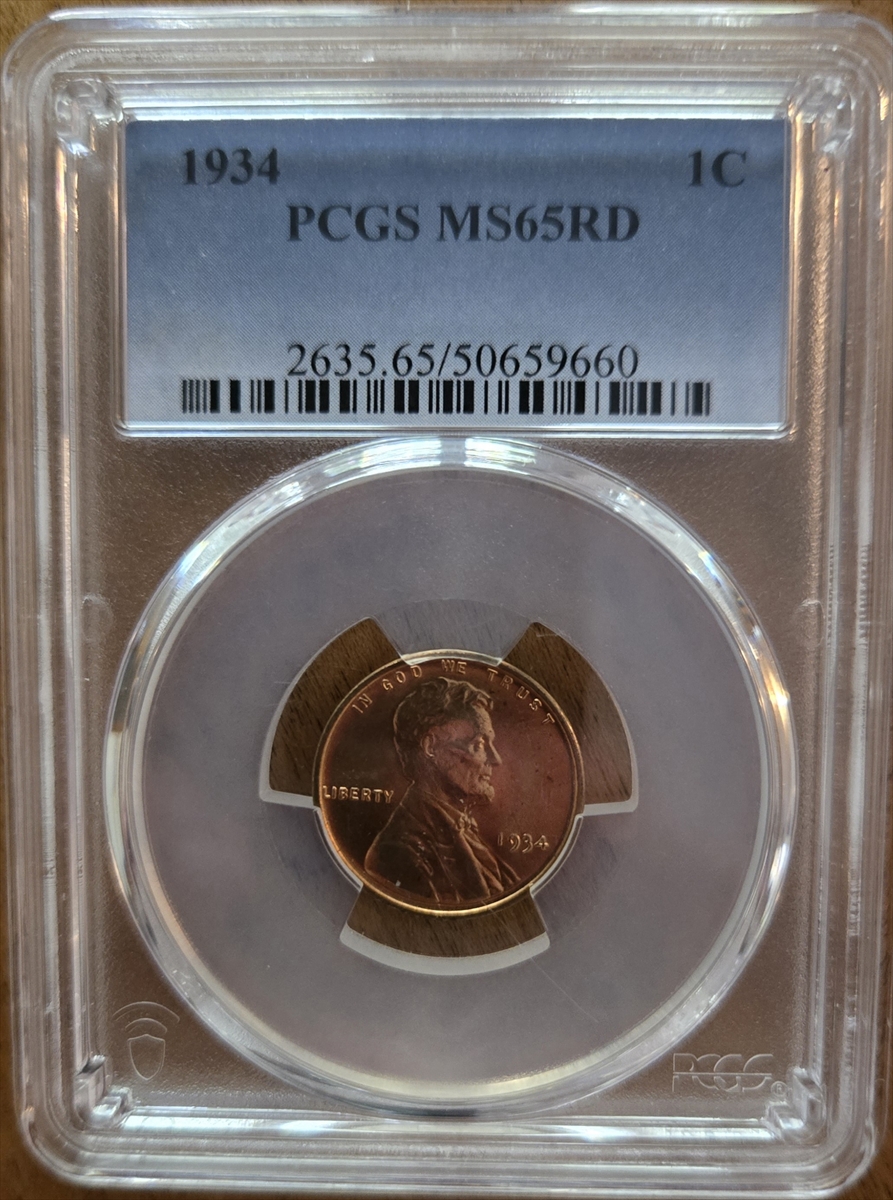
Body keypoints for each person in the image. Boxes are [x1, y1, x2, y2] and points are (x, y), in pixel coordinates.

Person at [364, 676, 518, 907]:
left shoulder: (464, 832)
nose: (496, 759)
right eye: (478, 745)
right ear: (431, 747)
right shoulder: (397, 852)